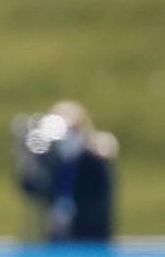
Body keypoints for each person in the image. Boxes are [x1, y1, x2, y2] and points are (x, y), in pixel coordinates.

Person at [15, 100, 117, 243]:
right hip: (56, 237)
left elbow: (98, 201)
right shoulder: (51, 160)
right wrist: (28, 159)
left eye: (72, 129)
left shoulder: (94, 160)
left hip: (91, 238)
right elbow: (32, 189)